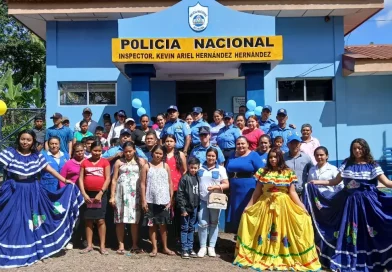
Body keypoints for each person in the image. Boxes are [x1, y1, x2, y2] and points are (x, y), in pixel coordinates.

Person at [305, 138, 392, 271]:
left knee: (369, 230)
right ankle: (349, 259)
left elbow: (386, 183)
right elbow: (335, 181)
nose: (357, 151)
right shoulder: (347, 163)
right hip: (349, 203)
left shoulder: (372, 165)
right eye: (354, 148)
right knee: (350, 231)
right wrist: (316, 182)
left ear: (365, 149)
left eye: (360, 148)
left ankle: (371, 258)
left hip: (368, 204)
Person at [0, 129, 82, 268]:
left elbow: (49, 168)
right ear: (19, 139)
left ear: (33, 142)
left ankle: (31, 248)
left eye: (28, 140)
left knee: (31, 220)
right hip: (14, 191)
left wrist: (64, 180)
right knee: (11, 220)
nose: (25, 142)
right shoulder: (10, 153)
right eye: (23, 139)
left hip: (32, 190)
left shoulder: (36, 156)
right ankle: (9, 248)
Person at [233, 147, 321, 271]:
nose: (273, 159)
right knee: (264, 230)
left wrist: (302, 208)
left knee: (284, 229)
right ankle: (264, 254)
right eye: (271, 157)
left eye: (275, 157)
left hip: (284, 206)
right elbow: (257, 191)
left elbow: (292, 192)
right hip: (265, 205)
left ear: (280, 158)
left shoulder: (288, 172)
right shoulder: (262, 172)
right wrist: (248, 206)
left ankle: (282, 254)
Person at [109, 142, 146, 254]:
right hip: (120, 194)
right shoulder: (119, 162)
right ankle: (121, 245)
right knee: (119, 220)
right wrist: (112, 196)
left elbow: (144, 179)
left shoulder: (141, 162)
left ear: (134, 150)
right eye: (126, 151)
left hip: (135, 195)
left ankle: (135, 244)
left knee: (134, 220)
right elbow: (114, 179)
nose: (128, 153)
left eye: (130, 151)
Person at [140, 145, 175, 257]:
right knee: (152, 225)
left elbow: (170, 182)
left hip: (164, 200)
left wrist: (171, 198)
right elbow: (142, 184)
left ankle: (165, 247)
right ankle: (154, 248)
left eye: (160, 153)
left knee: (163, 225)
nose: (158, 155)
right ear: (152, 153)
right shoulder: (147, 166)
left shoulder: (166, 166)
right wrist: (144, 200)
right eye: (156, 153)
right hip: (150, 200)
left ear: (163, 155)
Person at [79, 141, 111, 255]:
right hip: (88, 195)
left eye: (99, 150)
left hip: (100, 195)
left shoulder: (105, 162)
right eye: (95, 150)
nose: (97, 153)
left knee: (101, 220)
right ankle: (89, 245)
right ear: (90, 150)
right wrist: (84, 194)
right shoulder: (85, 162)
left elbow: (107, 178)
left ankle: (102, 246)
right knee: (88, 220)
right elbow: (81, 179)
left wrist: (101, 193)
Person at [225, 136, 263, 233]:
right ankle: (237, 241)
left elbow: (263, 171)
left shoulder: (253, 155)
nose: (240, 146)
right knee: (235, 213)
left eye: (243, 143)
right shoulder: (232, 155)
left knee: (246, 212)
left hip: (248, 189)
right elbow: (227, 169)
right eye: (238, 144)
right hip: (234, 189)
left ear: (247, 144)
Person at [197, 147, 229, 258]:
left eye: (213, 156)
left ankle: (211, 247)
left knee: (214, 223)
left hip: (215, 200)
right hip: (202, 200)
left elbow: (226, 184)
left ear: (216, 158)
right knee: (202, 223)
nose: (210, 158)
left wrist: (217, 186)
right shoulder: (200, 167)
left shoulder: (220, 169)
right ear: (206, 156)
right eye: (209, 155)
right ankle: (202, 247)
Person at [60, 142, 85, 250]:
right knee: (74, 217)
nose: (79, 153)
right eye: (77, 151)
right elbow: (61, 178)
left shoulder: (88, 161)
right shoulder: (69, 163)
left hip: (85, 194)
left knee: (84, 217)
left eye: (81, 150)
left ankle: (83, 239)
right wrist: (64, 193)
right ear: (74, 152)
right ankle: (71, 239)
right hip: (72, 195)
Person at [164, 134, 187, 244]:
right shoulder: (161, 154)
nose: (169, 143)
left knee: (177, 212)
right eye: (167, 141)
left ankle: (177, 237)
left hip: (178, 187)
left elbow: (185, 170)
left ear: (175, 142)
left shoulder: (180, 154)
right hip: (164, 188)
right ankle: (167, 236)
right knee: (166, 212)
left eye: (171, 141)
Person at [176, 157, 200, 259]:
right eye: (191, 168)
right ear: (188, 167)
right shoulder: (185, 178)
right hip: (185, 207)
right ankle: (184, 249)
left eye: (195, 168)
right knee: (184, 228)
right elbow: (180, 193)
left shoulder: (198, 178)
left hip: (194, 207)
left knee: (191, 228)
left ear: (198, 168)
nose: (193, 170)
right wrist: (182, 208)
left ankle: (190, 248)